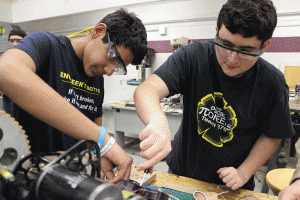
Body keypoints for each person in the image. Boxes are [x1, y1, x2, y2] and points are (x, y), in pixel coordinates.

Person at [134, 0, 294, 191]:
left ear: (265, 46)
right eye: (225, 44)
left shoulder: (272, 83)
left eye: (245, 51)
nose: (231, 59)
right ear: (217, 30)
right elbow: (147, 90)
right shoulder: (193, 57)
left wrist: (244, 172)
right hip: (182, 174)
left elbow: (272, 135)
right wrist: (157, 122)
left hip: (231, 185)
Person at [0, 9, 147, 184]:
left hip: (64, 183)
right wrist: (105, 141)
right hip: (21, 180)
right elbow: (6, 71)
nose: (109, 71)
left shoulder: (96, 78)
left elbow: (93, 132)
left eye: (117, 68)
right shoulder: (46, 45)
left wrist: (98, 155)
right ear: (98, 31)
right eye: (112, 57)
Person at [1, 29, 27, 116]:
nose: (15, 44)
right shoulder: (4, 59)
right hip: (9, 106)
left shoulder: (30, 59)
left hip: (26, 105)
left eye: (18, 41)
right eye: (12, 41)